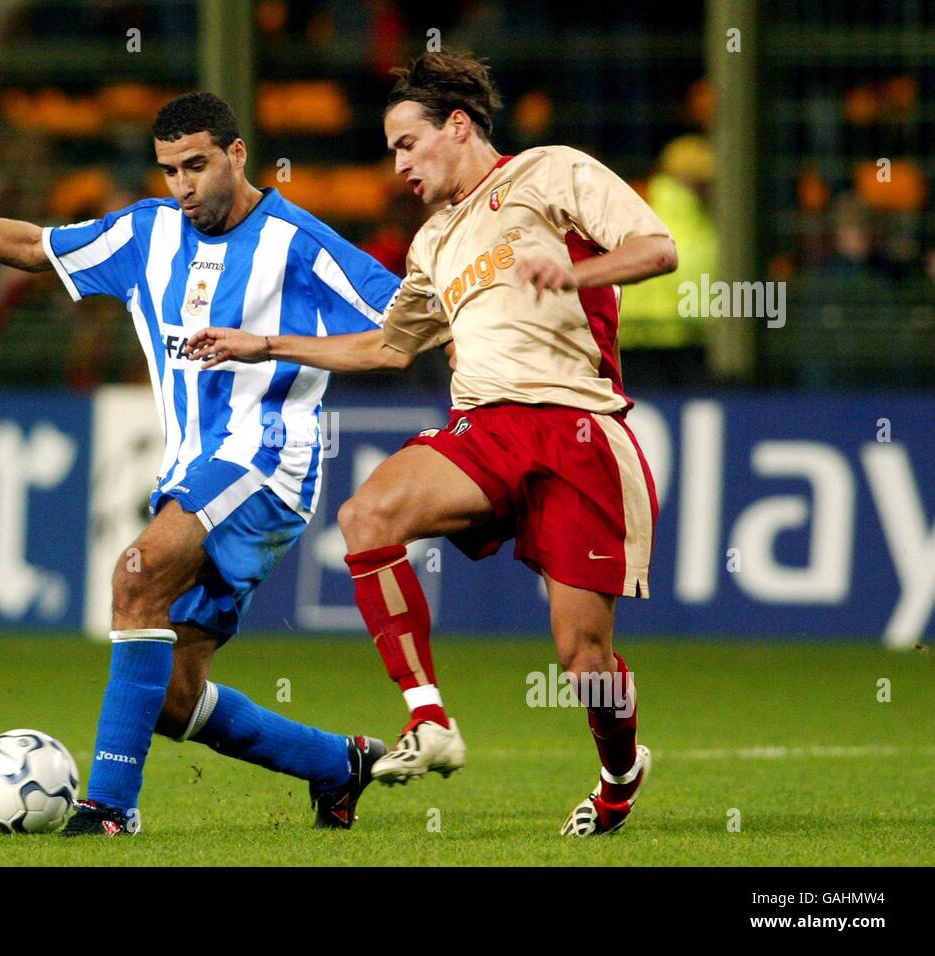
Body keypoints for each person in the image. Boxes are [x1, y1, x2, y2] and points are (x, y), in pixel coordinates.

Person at [0, 92, 398, 835]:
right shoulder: (147, 235)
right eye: (170, 169)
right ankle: (338, 765)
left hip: (267, 461)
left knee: (134, 574)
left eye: (197, 165)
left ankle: (110, 808)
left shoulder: (298, 245)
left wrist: (274, 346)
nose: (182, 185)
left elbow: (405, 325)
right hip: (192, 472)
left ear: (238, 156)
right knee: (174, 699)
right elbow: (30, 247)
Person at [189, 50, 678, 836]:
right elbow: (387, 347)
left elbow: (659, 250)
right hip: (485, 426)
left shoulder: (552, 172)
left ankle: (620, 773)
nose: (399, 164)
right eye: (390, 150)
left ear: (458, 126)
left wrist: (576, 274)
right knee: (367, 517)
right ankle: (430, 718)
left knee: (585, 664)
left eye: (407, 143)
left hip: (580, 429)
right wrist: (267, 345)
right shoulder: (433, 242)